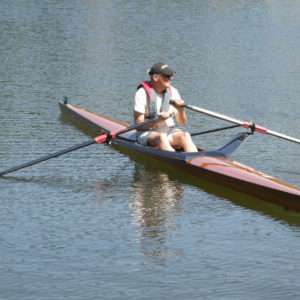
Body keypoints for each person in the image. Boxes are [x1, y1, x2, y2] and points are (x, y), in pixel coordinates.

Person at [134, 62, 198, 152]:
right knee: (162, 137)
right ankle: (176, 162)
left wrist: (180, 110)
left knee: (185, 136)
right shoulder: (142, 93)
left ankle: (194, 161)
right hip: (147, 132)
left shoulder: (174, 92)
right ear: (155, 77)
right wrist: (157, 119)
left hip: (169, 130)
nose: (170, 78)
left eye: (171, 75)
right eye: (167, 76)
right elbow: (138, 125)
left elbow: (182, 123)